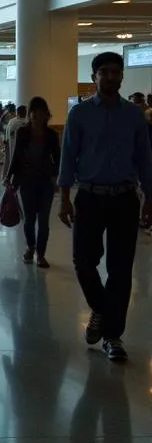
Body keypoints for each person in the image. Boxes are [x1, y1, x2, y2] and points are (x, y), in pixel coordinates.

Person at [58, 51, 152, 362]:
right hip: (89, 196)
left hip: (124, 198)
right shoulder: (80, 115)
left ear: (122, 76)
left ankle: (113, 336)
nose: (111, 77)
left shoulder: (134, 115)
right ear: (94, 76)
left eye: (116, 72)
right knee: (84, 262)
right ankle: (101, 308)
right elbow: (68, 157)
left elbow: (145, 160)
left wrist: (149, 197)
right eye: (105, 72)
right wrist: (64, 199)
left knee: (121, 269)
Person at [4, 96, 60, 268]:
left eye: (39, 111)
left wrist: (57, 178)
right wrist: (9, 175)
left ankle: (41, 254)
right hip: (27, 180)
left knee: (43, 220)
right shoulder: (23, 132)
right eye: (33, 111)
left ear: (45, 114)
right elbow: (16, 156)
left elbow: (57, 158)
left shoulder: (51, 135)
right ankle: (30, 247)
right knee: (29, 219)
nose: (36, 115)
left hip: (45, 182)